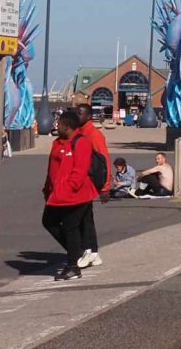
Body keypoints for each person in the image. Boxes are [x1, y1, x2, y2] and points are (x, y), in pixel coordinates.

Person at [42, 111, 98, 280]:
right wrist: (47, 189)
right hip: (57, 194)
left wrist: (69, 188)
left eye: (58, 124)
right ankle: (78, 252)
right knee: (48, 221)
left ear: (66, 126)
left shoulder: (81, 143)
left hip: (76, 195)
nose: (56, 126)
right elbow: (51, 169)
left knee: (70, 226)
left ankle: (73, 266)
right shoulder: (57, 143)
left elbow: (79, 172)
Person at [75, 104, 112, 269]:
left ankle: (88, 250)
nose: (77, 116)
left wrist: (105, 187)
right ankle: (94, 252)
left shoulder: (94, 135)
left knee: (82, 218)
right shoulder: (79, 132)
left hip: (88, 183)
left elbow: (104, 160)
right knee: (85, 218)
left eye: (80, 113)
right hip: (81, 182)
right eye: (76, 113)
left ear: (89, 116)